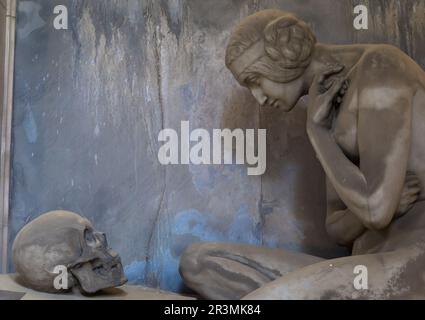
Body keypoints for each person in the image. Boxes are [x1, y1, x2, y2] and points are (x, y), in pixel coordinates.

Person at [179, 9, 425, 300]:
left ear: (283, 54)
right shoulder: (325, 106)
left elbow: (375, 212)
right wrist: (380, 206)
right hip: (359, 266)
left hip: (411, 264)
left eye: (255, 80)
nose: (259, 97)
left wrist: (319, 136)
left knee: (260, 301)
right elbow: (337, 229)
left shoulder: (380, 67)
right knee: (199, 263)